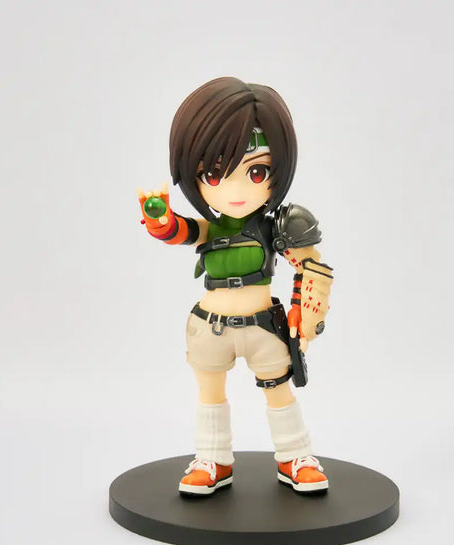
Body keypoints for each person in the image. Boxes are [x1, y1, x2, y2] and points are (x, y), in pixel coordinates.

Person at [139, 77, 333, 496]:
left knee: (278, 391)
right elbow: (182, 231)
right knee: (210, 393)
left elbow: (311, 267)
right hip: (210, 325)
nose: (237, 190)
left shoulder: (280, 224)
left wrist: (306, 317)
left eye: (256, 171)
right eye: (214, 173)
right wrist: (161, 221)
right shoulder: (212, 228)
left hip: (263, 326)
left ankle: (295, 455)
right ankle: (212, 459)